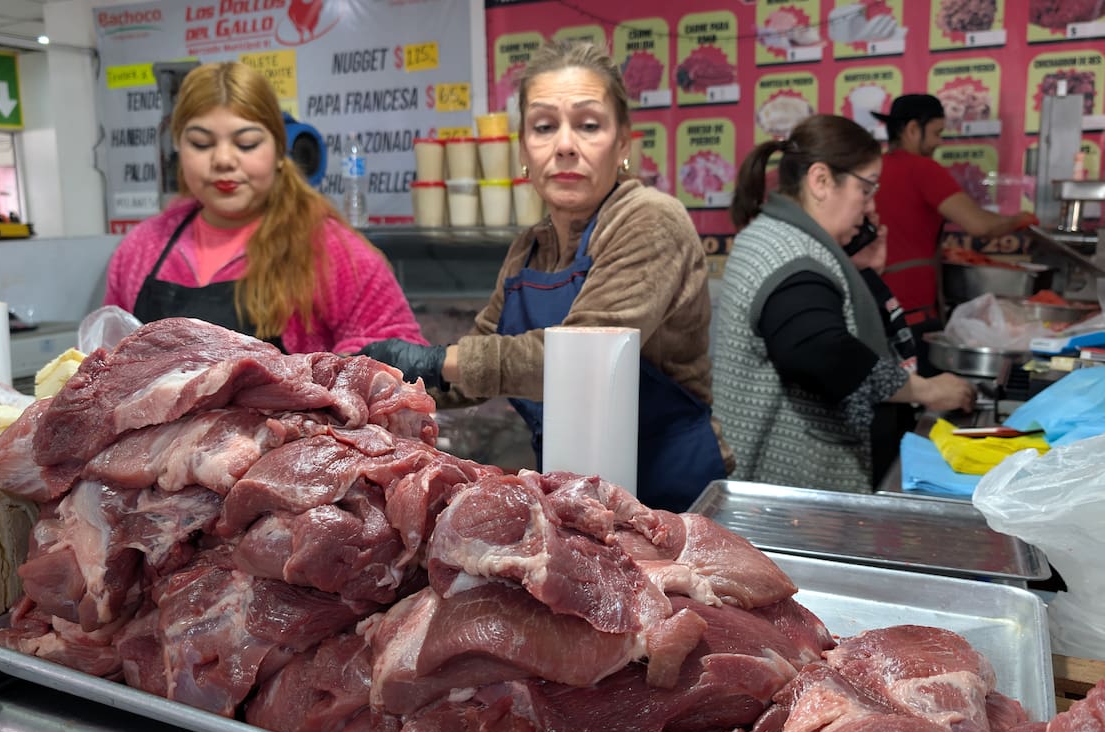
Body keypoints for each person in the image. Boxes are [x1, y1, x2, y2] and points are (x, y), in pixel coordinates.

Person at [361, 39, 729, 512]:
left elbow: (582, 361)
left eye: (589, 125)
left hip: (668, 495)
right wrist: (381, 382)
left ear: (622, 144)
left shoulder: (649, 219)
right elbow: (471, 366)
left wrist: (431, 360)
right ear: (523, 151)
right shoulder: (528, 248)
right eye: (544, 127)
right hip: (573, 495)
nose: (565, 146)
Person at [711, 114, 977, 494]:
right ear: (820, 180)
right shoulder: (796, 258)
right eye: (866, 190)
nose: (870, 208)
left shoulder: (773, 233)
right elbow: (820, 351)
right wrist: (924, 390)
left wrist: (860, 270)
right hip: (786, 493)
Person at [104, 61, 425, 354]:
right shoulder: (142, 248)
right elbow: (105, 360)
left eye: (246, 143)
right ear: (178, 149)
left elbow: (397, 354)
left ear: (279, 149)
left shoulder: (330, 250)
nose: (224, 160)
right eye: (201, 143)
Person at [870, 94, 1037, 367]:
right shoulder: (923, 169)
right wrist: (1020, 220)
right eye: (936, 133)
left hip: (875, 309)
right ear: (913, 129)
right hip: (913, 313)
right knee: (924, 396)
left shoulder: (874, 168)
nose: (939, 142)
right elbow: (980, 225)